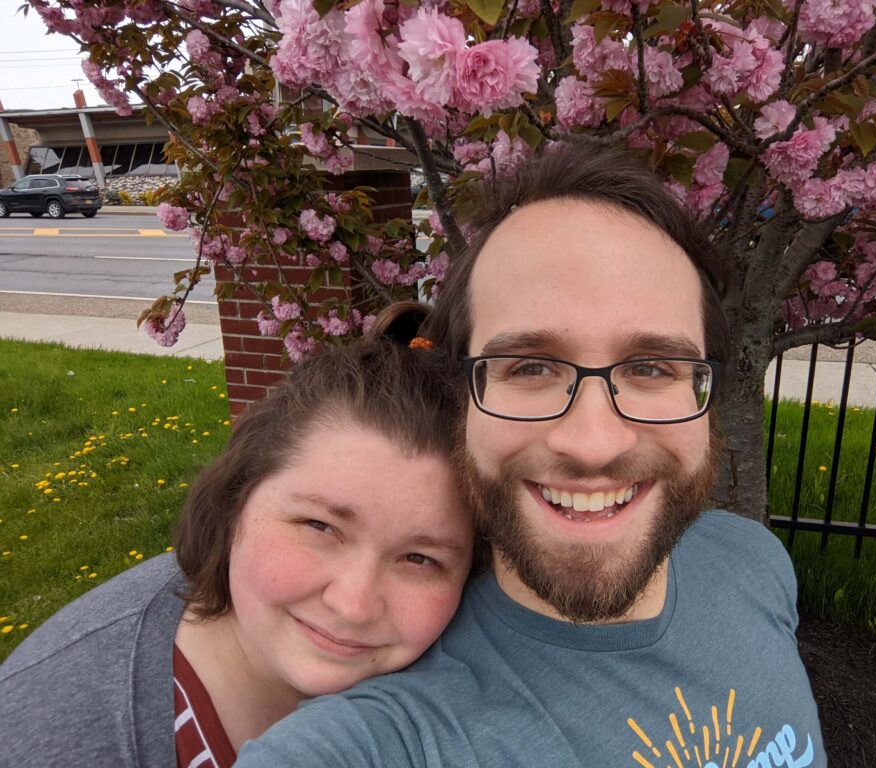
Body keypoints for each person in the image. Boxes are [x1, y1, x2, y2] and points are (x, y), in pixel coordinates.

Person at [236, 145, 826, 766]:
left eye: (652, 366)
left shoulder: (753, 560)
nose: (595, 442)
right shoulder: (389, 739)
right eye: (531, 366)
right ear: (459, 400)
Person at [0, 317, 476, 768]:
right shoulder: (58, 737)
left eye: (419, 558)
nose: (353, 605)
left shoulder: (465, 677)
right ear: (234, 501)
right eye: (320, 527)